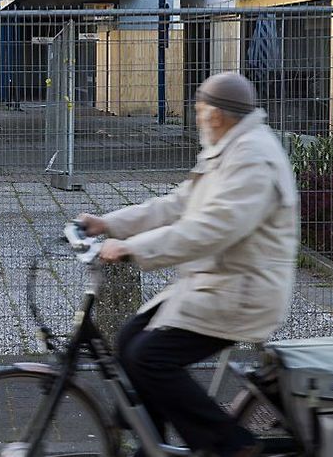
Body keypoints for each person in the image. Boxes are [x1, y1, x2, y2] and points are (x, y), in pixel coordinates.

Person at [77, 71, 298, 457]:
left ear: (215, 114)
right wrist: (109, 222)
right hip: (215, 283)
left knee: (150, 357)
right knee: (129, 341)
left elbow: (209, 230)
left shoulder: (252, 158)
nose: (195, 117)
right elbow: (177, 203)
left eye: (198, 110)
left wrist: (130, 248)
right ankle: (152, 445)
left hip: (244, 292)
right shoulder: (228, 147)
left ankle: (231, 445)